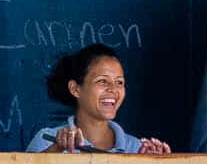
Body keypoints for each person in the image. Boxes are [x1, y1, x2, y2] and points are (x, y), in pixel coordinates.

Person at [27, 44, 172, 156]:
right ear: (75, 89)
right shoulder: (47, 140)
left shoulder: (136, 148)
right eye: (102, 81)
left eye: (119, 82)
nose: (113, 89)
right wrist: (54, 152)